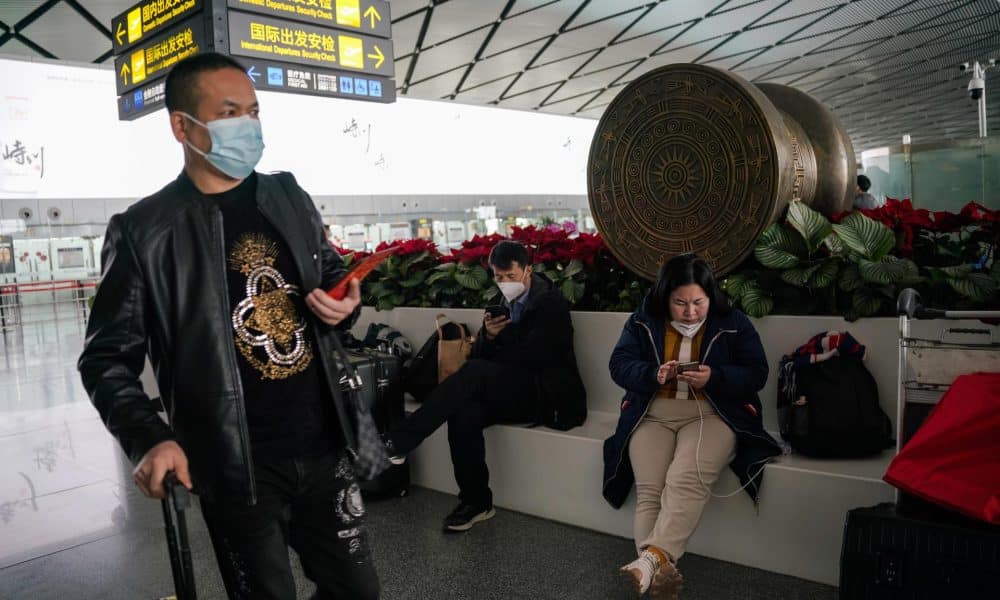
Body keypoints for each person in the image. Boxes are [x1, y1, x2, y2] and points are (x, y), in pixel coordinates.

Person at [77, 52, 380, 599]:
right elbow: (105, 359)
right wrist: (149, 438)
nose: (249, 124)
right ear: (182, 126)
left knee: (358, 591)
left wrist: (346, 301)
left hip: (322, 444)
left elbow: (330, 272)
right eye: (230, 111)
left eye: (254, 110)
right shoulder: (146, 232)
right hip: (235, 466)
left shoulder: (287, 195)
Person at [603, 254, 781, 599]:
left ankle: (649, 560)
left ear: (710, 296)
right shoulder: (643, 319)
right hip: (652, 413)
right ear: (664, 297)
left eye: (698, 302)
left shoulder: (733, 321)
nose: (690, 312)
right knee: (651, 490)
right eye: (680, 303)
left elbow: (757, 373)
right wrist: (652, 374)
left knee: (685, 478)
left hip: (714, 413)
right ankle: (656, 576)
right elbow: (619, 364)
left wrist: (716, 377)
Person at [384, 240, 586, 532]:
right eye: (498, 277)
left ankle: (401, 440)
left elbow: (534, 359)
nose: (504, 283)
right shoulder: (504, 305)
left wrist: (500, 339)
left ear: (528, 270)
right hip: (512, 390)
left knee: (476, 373)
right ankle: (476, 501)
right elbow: (485, 357)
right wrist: (489, 337)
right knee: (464, 409)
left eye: (510, 276)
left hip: (547, 395)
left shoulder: (551, 304)